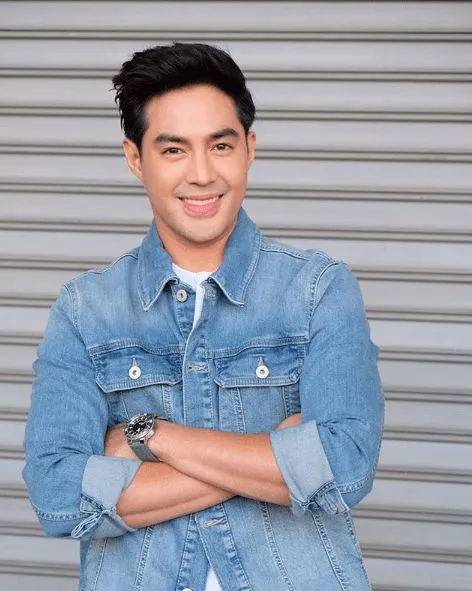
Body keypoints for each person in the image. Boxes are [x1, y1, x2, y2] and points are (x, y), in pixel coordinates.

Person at [23, 42, 384, 591]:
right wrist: (279, 457)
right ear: (135, 158)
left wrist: (150, 437)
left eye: (220, 145)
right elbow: (57, 495)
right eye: (173, 150)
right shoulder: (85, 310)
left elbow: (345, 467)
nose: (201, 174)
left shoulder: (319, 290)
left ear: (249, 149)